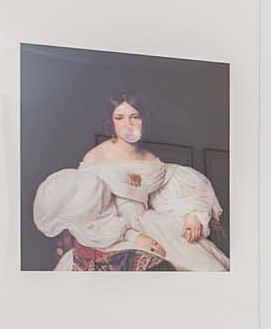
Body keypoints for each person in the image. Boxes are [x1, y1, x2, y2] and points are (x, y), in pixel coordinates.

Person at [31, 91, 229, 271]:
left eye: (135, 117)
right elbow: (92, 215)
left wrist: (192, 213)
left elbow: (173, 187)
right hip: (116, 232)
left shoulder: (150, 158)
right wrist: (133, 236)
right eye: (120, 117)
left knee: (210, 269)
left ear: (144, 121)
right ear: (111, 122)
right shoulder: (96, 158)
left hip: (152, 223)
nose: (128, 124)